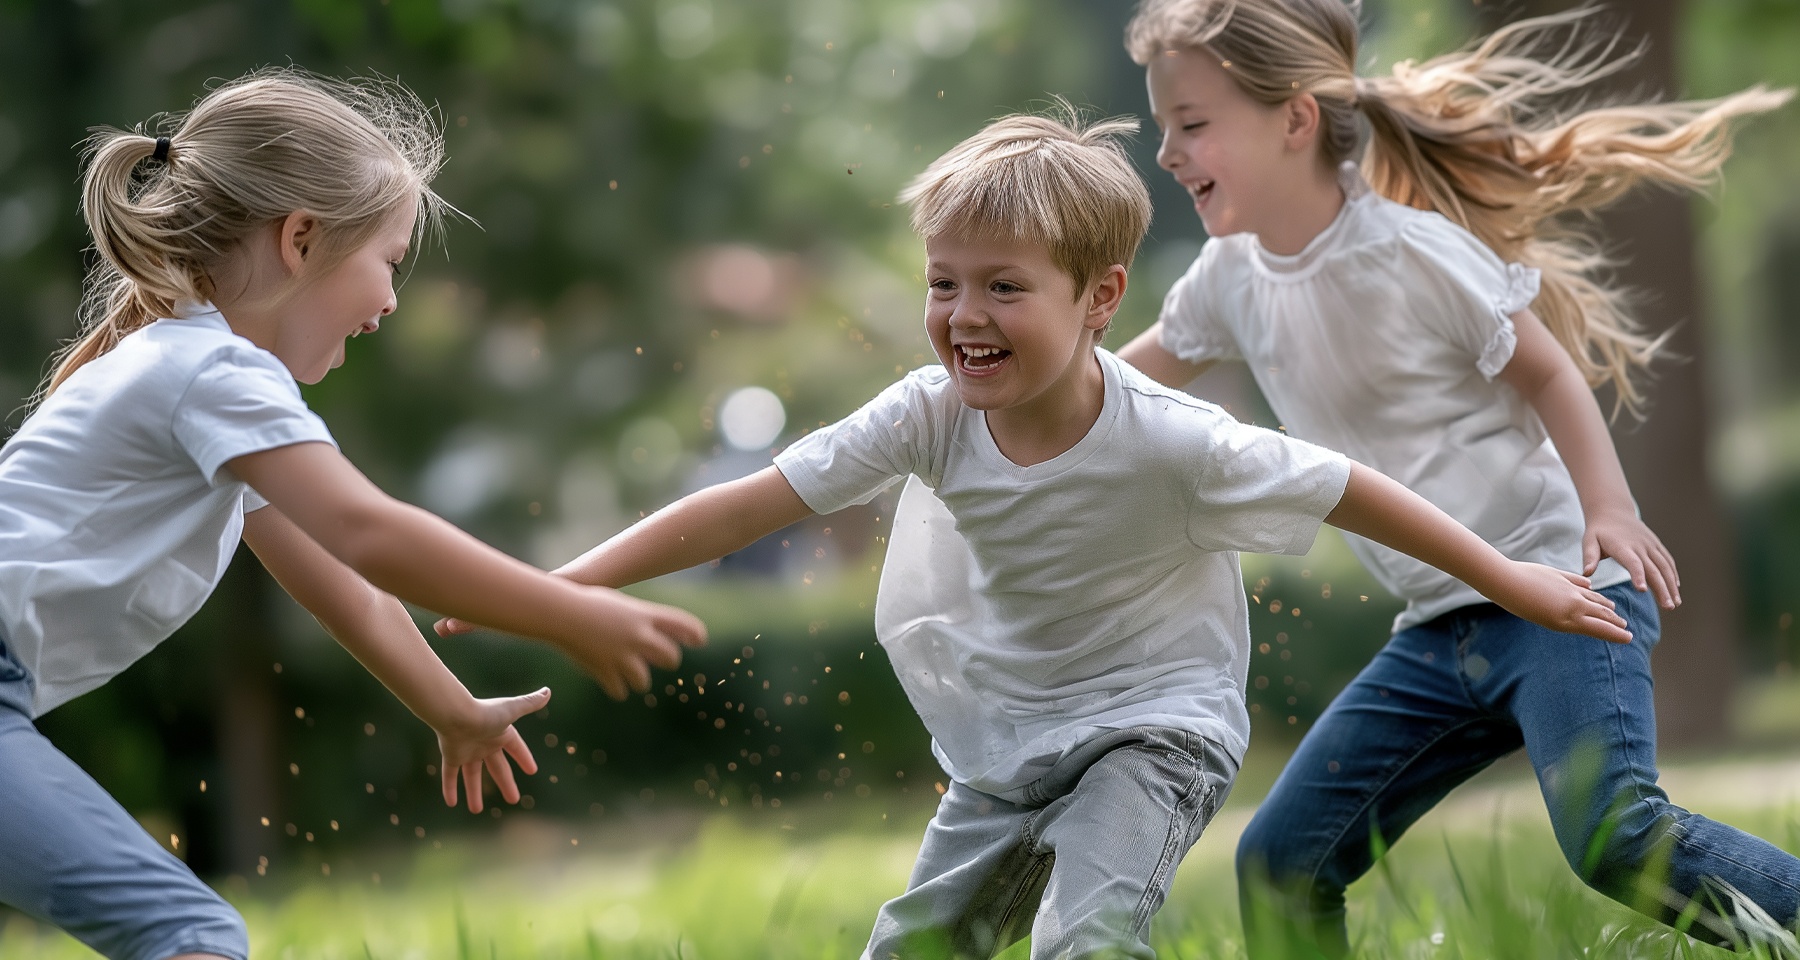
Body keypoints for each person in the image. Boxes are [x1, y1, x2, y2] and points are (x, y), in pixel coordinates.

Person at [445, 107, 1627, 960]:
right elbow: (748, 504)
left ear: (1101, 297)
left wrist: (1506, 577)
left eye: (1003, 287)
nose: (963, 317)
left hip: (1155, 731)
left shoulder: (1173, 438)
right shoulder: (927, 414)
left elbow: (1350, 487)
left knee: (1087, 939)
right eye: (943, 283)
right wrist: (554, 586)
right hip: (1006, 742)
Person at [1107, 0, 1797, 953]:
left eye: (1192, 125)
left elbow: (1549, 369)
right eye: (1165, 130)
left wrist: (1609, 507)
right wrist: (1001, 384)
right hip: (1438, 632)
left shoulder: (1409, 251)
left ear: (1295, 119)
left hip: (1561, 592)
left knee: (1616, 837)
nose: (1169, 156)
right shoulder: (1227, 280)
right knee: (1279, 863)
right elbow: (1118, 384)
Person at [0, 69, 706, 960]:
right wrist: (569, 612)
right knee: (190, 934)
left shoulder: (183, 370)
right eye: (391, 262)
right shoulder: (214, 375)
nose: (392, 302)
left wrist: (450, 710)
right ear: (301, 239)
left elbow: (347, 584)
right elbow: (370, 532)